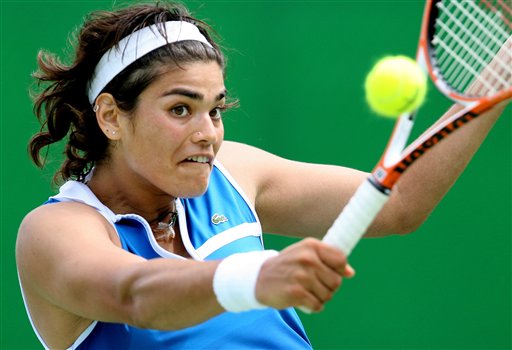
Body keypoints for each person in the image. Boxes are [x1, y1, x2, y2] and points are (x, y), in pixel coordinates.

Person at [15, 1, 509, 349]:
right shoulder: (58, 230)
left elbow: (401, 203)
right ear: (110, 117)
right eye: (181, 109)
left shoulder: (233, 174)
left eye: (216, 109)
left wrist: (503, 70)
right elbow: (135, 294)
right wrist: (254, 277)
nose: (208, 133)